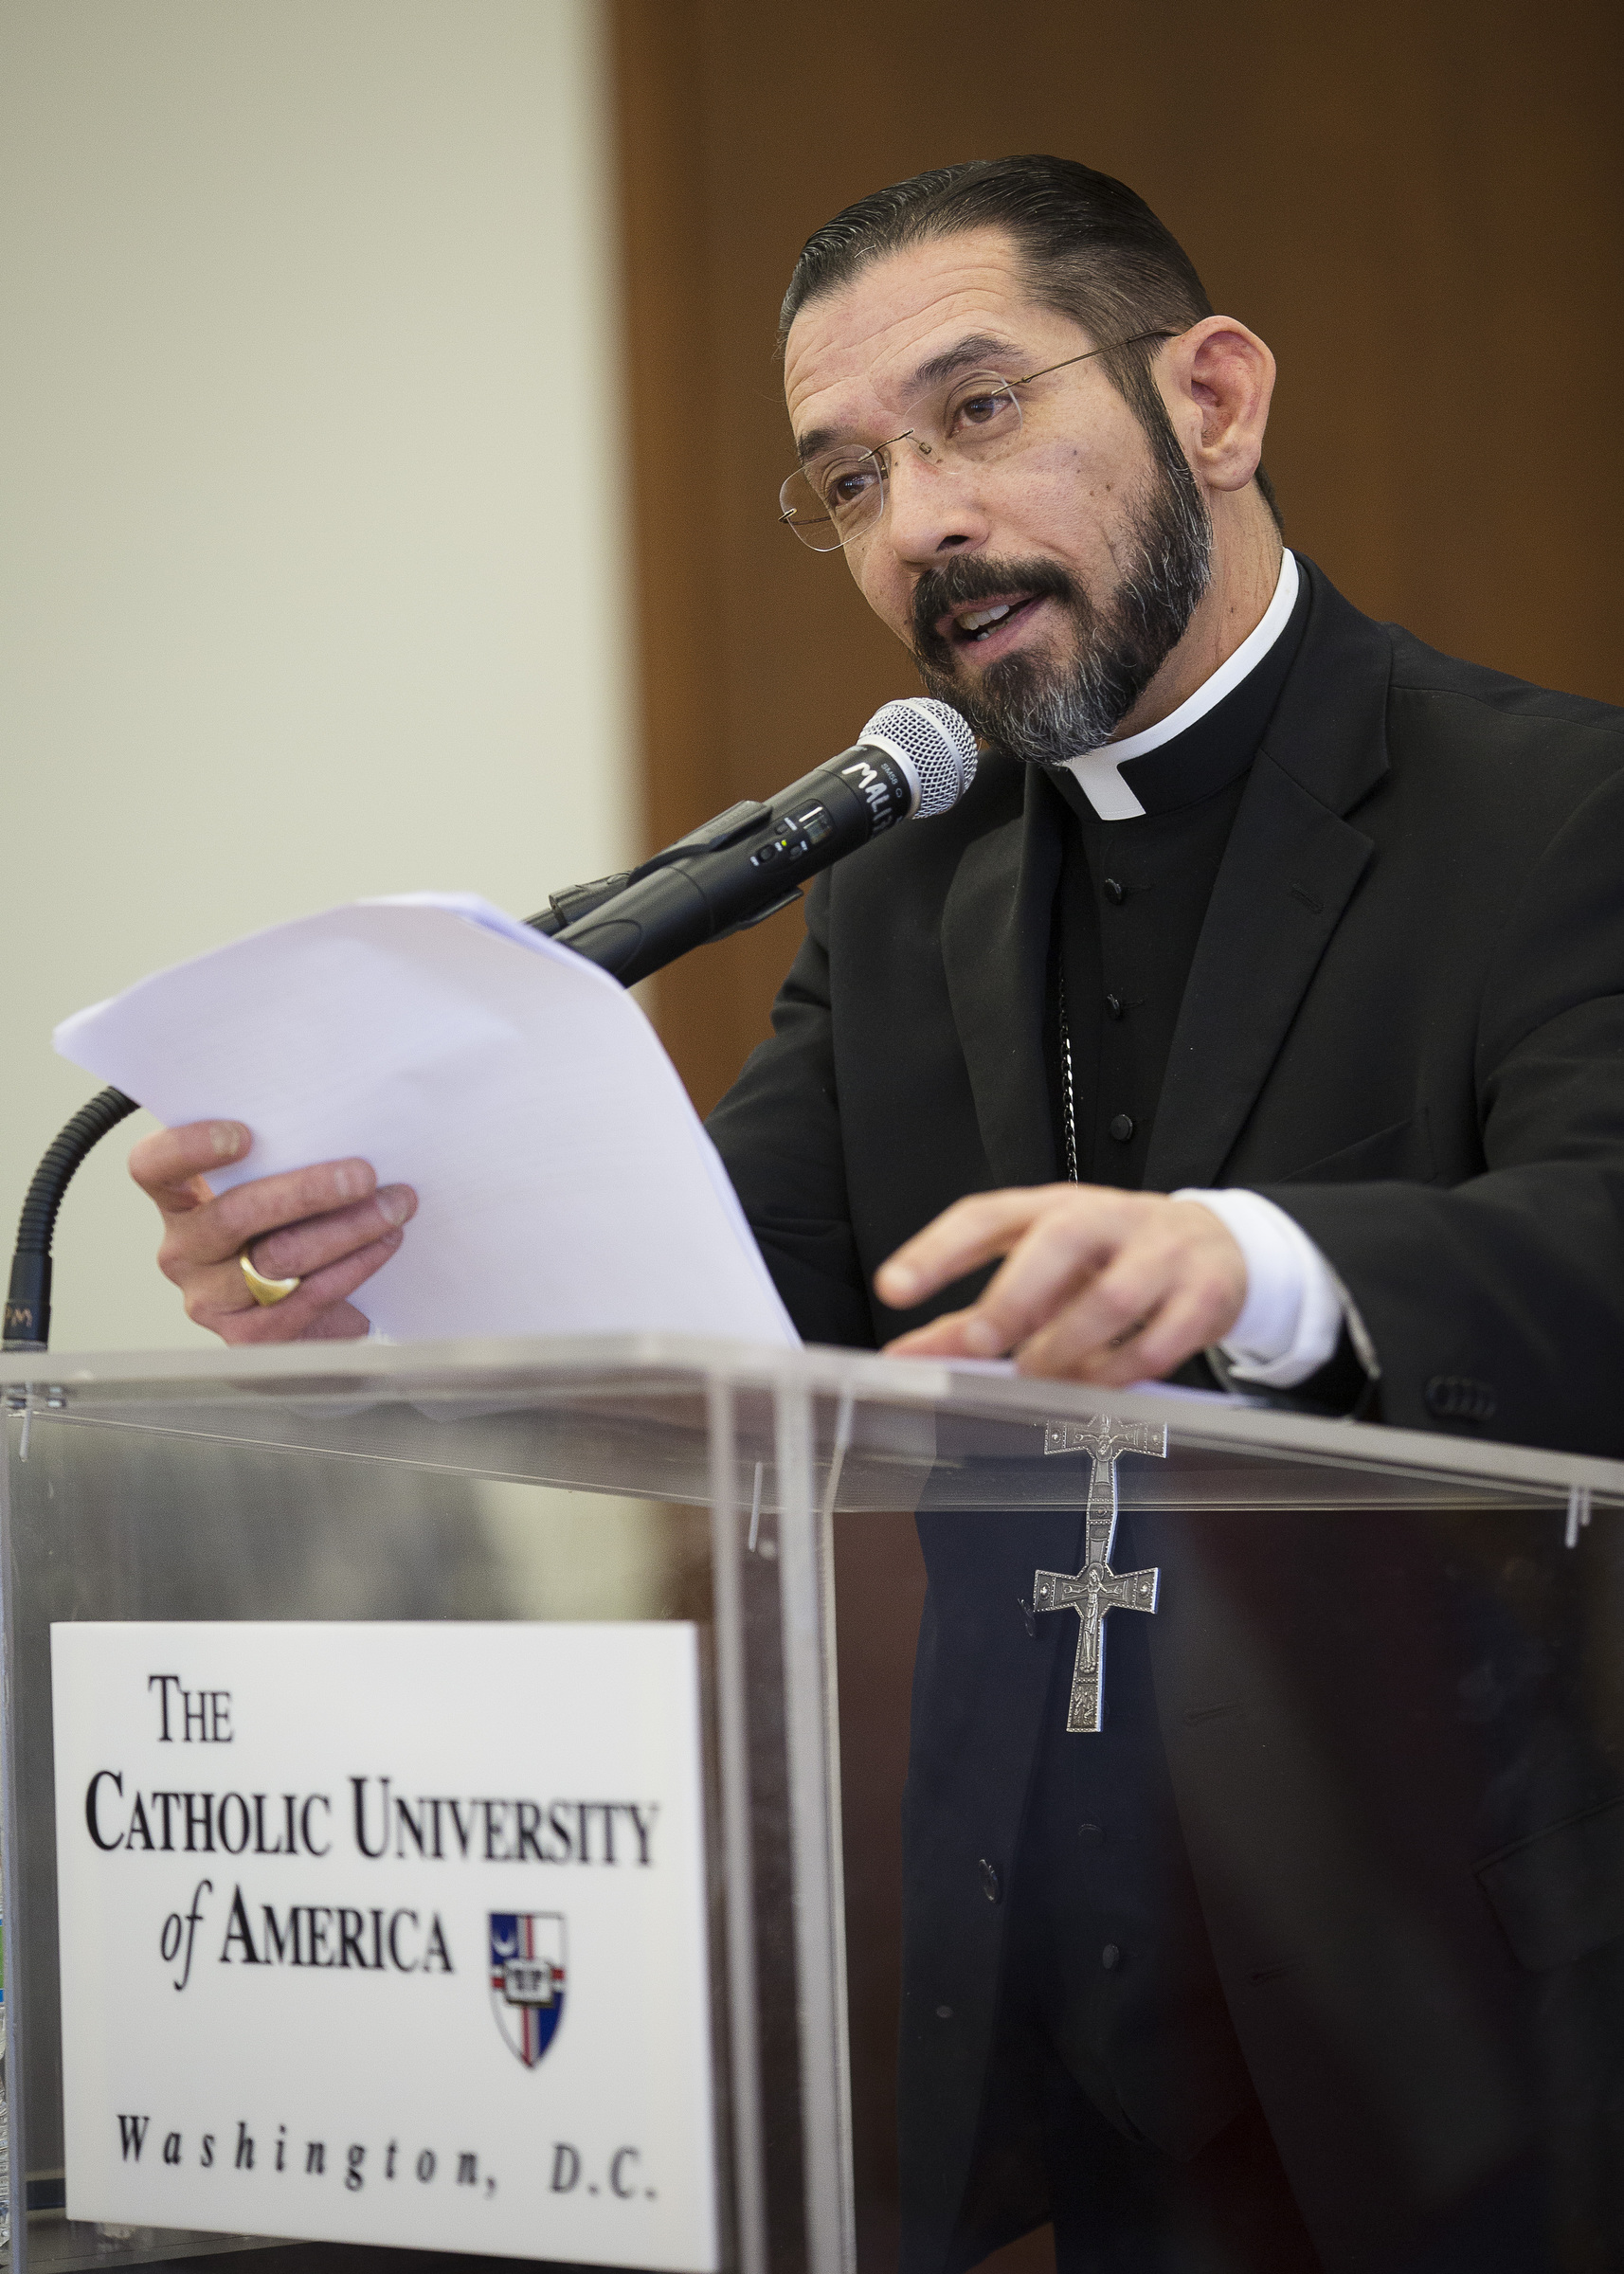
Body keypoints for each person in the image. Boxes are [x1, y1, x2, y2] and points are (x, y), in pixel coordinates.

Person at [132, 158, 1624, 2271]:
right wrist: (369, 1299)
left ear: (1209, 399)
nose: (914, 520)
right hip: (1023, 2036)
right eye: (844, 478)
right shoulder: (909, 879)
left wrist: (1252, 1261)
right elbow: (727, 1300)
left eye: (976, 413)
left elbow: (1600, 1233)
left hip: (1457, 2041)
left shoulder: (1552, 810)